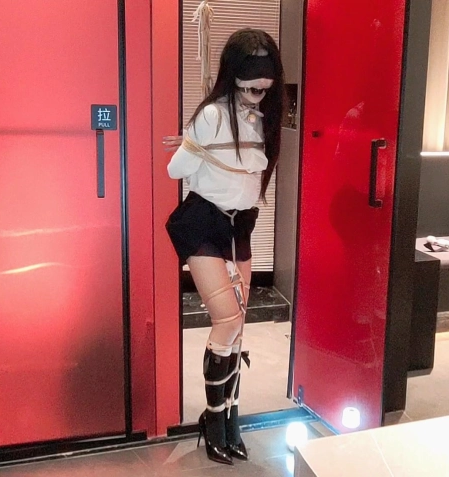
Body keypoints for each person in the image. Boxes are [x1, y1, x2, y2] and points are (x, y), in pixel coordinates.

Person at [163, 28, 285, 465]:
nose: (257, 96)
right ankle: (214, 421)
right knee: (227, 320)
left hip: (240, 227)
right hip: (204, 223)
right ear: (233, 78)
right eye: (251, 88)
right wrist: (194, 143)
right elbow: (176, 170)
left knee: (238, 328)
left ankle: (230, 418)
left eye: (264, 90)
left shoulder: (260, 118)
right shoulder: (213, 115)